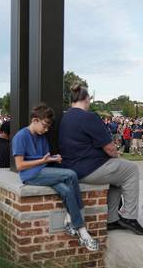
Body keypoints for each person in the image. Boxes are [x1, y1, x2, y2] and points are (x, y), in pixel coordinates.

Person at [59, 83, 143, 236]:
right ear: (87, 99)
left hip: (72, 167)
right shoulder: (89, 117)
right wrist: (116, 156)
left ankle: (112, 219)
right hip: (89, 168)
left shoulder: (65, 117)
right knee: (131, 170)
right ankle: (129, 217)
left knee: (118, 178)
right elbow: (110, 148)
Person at [12, 104, 98, 251]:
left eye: (48, 127)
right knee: (71, 175)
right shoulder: (20, 136)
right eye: (44, 126)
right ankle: (81, 229)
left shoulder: (42, 137)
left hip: (45, 170)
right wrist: (43, 161)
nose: (46, 130)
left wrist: (53, 158)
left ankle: (70, 218)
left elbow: (44, 158)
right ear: (35, 120)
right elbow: (19, 166)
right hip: (31, 175)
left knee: (66, 190)